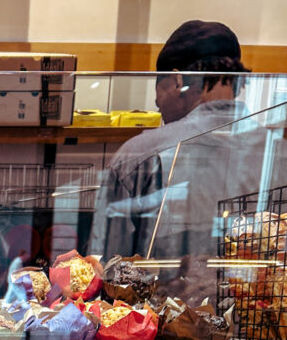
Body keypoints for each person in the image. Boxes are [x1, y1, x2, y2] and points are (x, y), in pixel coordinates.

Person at [90, 20, 253, 264]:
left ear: (177, 82)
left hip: (164, 300)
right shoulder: (274, 150)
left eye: (158, 94)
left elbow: (104, 265)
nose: (158, 106)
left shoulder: (138, 154)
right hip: (256, 299)